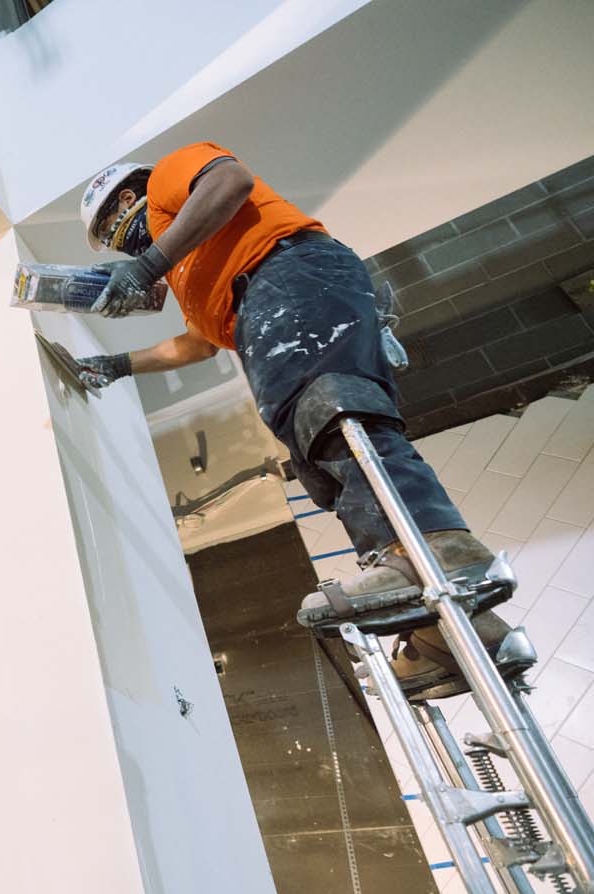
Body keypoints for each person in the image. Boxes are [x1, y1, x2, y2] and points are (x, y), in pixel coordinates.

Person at [75, 143, 515, 692]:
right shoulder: (192, 272)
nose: (121, 243)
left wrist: (146, 265)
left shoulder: (170, 177)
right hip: (264, 313)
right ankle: (458, 636)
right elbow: (197, 346)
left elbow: (230, 182)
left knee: (331, 412)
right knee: (320, 459)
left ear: (124, 199)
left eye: (113, 231)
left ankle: (441, 551)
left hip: (289, 277)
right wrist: (115, 365)